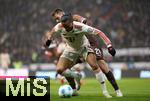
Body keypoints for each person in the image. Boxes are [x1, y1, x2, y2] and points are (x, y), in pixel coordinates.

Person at [51, 8, 123, 97]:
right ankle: (74, 89)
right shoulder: (61, 26)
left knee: (102, 66)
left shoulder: (74, 17)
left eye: (57, 18)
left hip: (90, 43)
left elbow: (84, 21)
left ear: (62, 13)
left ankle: (117, 90)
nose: (57, 21)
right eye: (56, 20)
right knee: (65, 68)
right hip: (76, 48)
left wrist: (82, 22)